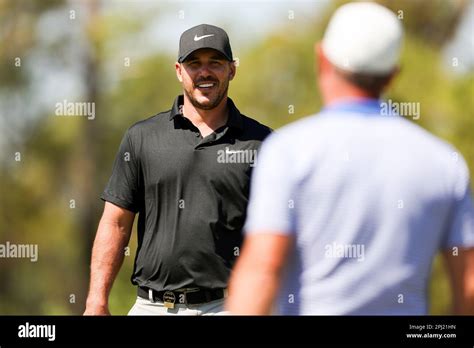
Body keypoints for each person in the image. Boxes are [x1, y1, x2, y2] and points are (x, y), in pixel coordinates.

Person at [226, 2, 474, 315]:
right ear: (392, 75)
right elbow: (468, 283)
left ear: (322, 59)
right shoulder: (443, 162)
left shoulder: (288, 151)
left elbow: (261, 271)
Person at [84, 24, 271, 316]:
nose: (204, 72)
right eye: (194, 63)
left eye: (215, 63)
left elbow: (279, 232)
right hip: (152, 307)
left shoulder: (263, 143)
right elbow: (116, 223)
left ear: (232, 70)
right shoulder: (142, 137)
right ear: (178, 70)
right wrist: (97, 300)